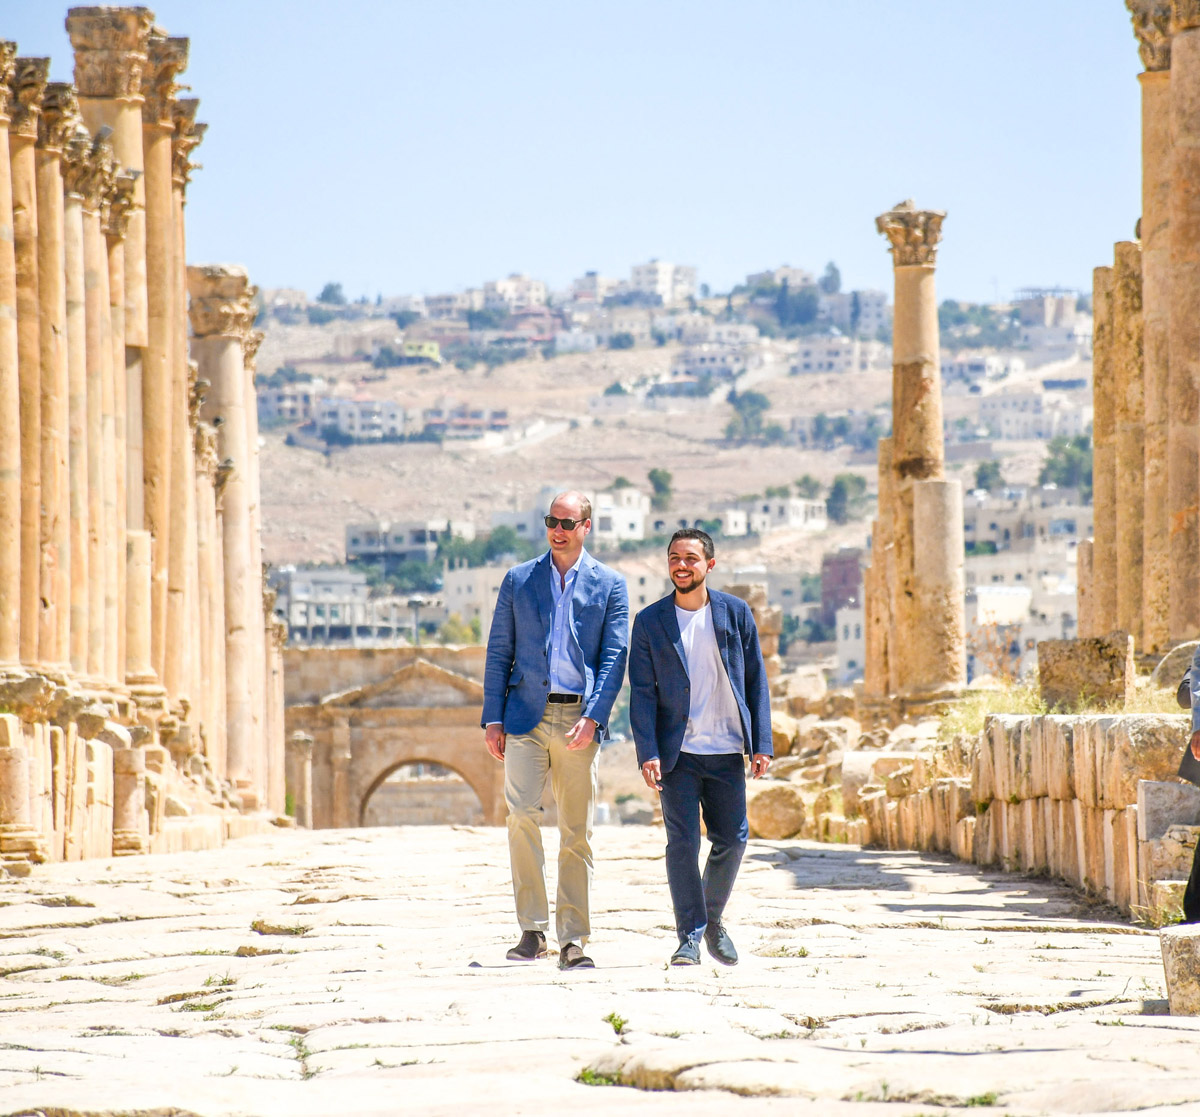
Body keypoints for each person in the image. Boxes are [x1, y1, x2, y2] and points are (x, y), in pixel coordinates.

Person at [482, 490, 629, 969]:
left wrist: (595, 716)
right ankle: (532, 930)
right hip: (524, 715)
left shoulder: (611, 584)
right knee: (521, 815)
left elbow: (614, 656)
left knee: (576, 831)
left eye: (567, 523)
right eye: (552, 521)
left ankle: (574, 939)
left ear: (587, 526)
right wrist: (493, 717)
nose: (558, 531)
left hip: (578, 720)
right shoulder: (518, 579)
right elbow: (499, 651)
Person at [628, 528, 772, 966]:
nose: (681, 565)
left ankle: (710, 919)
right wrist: (648, 751)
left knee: (733, 839)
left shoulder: (735, 613)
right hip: (678, 754)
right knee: (682, 844)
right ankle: (688, 938)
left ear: (709, 564)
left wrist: (761, 743)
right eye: (674, 557)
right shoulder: (650, 621)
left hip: (726, 749)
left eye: (690, 558)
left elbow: (755, 679)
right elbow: (642, 693)